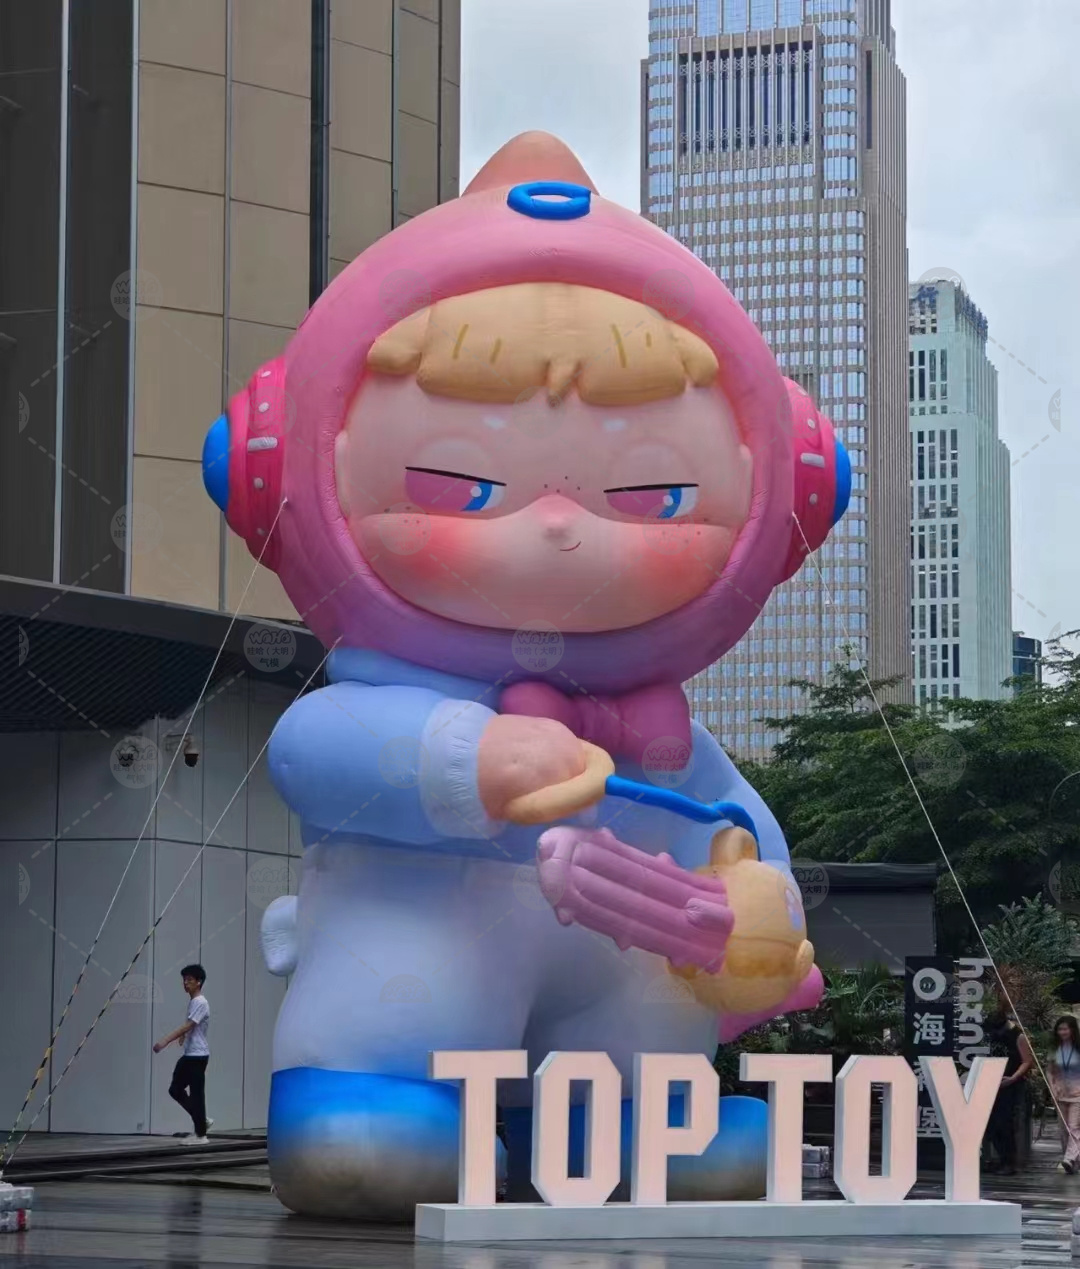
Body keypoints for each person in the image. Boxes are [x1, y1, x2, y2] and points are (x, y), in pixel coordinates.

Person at [153, 964, 212, 1144]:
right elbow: (191, 1025)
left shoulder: (201, 1002)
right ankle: (202, 1120)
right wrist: (184, 1036)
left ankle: (201, 1135)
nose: (186, 983)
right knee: (175, 1089)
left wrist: (165, 1041)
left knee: (196, 1094)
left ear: (199, 982)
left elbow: (188, 1025)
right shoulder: (194, 1002)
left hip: (197, 1055)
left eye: (189, 980)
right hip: (191, 1054)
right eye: (184, 980)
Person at [984, 1010, 1035, 1175]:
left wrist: (1013, 1078)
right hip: (992, 1082)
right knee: (990, 1124)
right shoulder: (992, 1033)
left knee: (1005, 1123)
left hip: (1011, 1084)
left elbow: (1027, 1061)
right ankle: (1000, 1158)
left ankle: (1009, 1162)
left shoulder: (1018, 1036)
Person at [1048, 1015, 1080, 1174]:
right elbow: (1050, 1071)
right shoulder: (1055, 1049)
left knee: (1074, 1127)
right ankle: (1073, 1162)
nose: (1062, 1032)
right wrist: (1052, 1087)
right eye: (1059, 1029)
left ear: (1072, 1030)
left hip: (1078, 1095)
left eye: (1065, 1029)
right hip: (1060, 1095)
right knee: (1064, 1130)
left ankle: (1068, 1159)